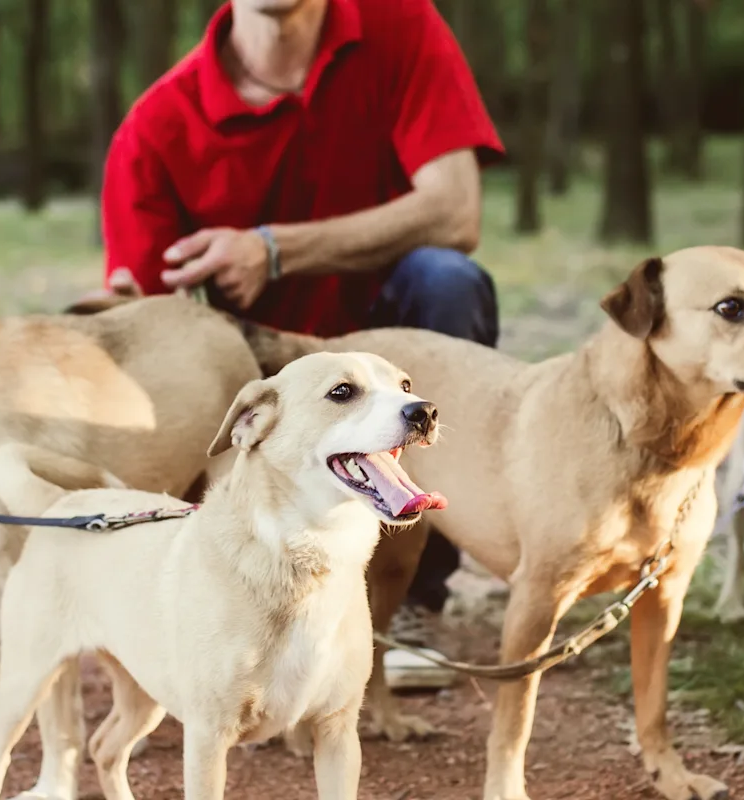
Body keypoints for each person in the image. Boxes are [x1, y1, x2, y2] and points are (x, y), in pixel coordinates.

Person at [92, 0, 500, 689]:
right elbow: (139, 320)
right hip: (254, 365)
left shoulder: (401, 27)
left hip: (387, 339)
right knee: (161, 385)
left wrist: (274, 251)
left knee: (450, 280)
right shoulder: (156, 126)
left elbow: (456, 211)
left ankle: (409, 600)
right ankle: (212, 598)